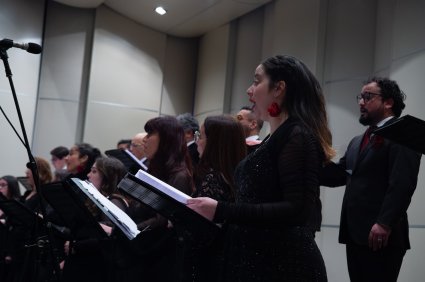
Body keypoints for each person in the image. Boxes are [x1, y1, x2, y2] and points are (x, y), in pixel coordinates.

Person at [187, 55, 334, 281]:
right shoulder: (276, 137)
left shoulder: (297, 135)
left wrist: (222, 209)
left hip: (284, 266)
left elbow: (297, 209)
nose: (249, 90)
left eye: (256, 81)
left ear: (279, 88)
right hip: (262, 259)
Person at [320, 77, 422, 282]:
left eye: (368, 97)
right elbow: (341, 174)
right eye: (360, 97)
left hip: (382, 235)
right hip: (355, 233)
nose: (360, 102)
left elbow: (402, 183)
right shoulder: (358, 141)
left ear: (388, 102)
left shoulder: (404, 132)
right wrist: (305, 165)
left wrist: (384, 223)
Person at [129, 116, 194, 282]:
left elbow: (163, 220)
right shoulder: (155, 171)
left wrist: (129, 229)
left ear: (166, 139)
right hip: (143, 252)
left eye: (150, 133)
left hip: (159, 260)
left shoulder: (179, 176)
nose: (144, 139)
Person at [191, 114, 246, 281]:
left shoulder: (212, 178)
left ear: (214, 142)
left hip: (209, 265)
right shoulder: (240, 177)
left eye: (200, 136)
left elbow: (201, 232)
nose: (196, 142)